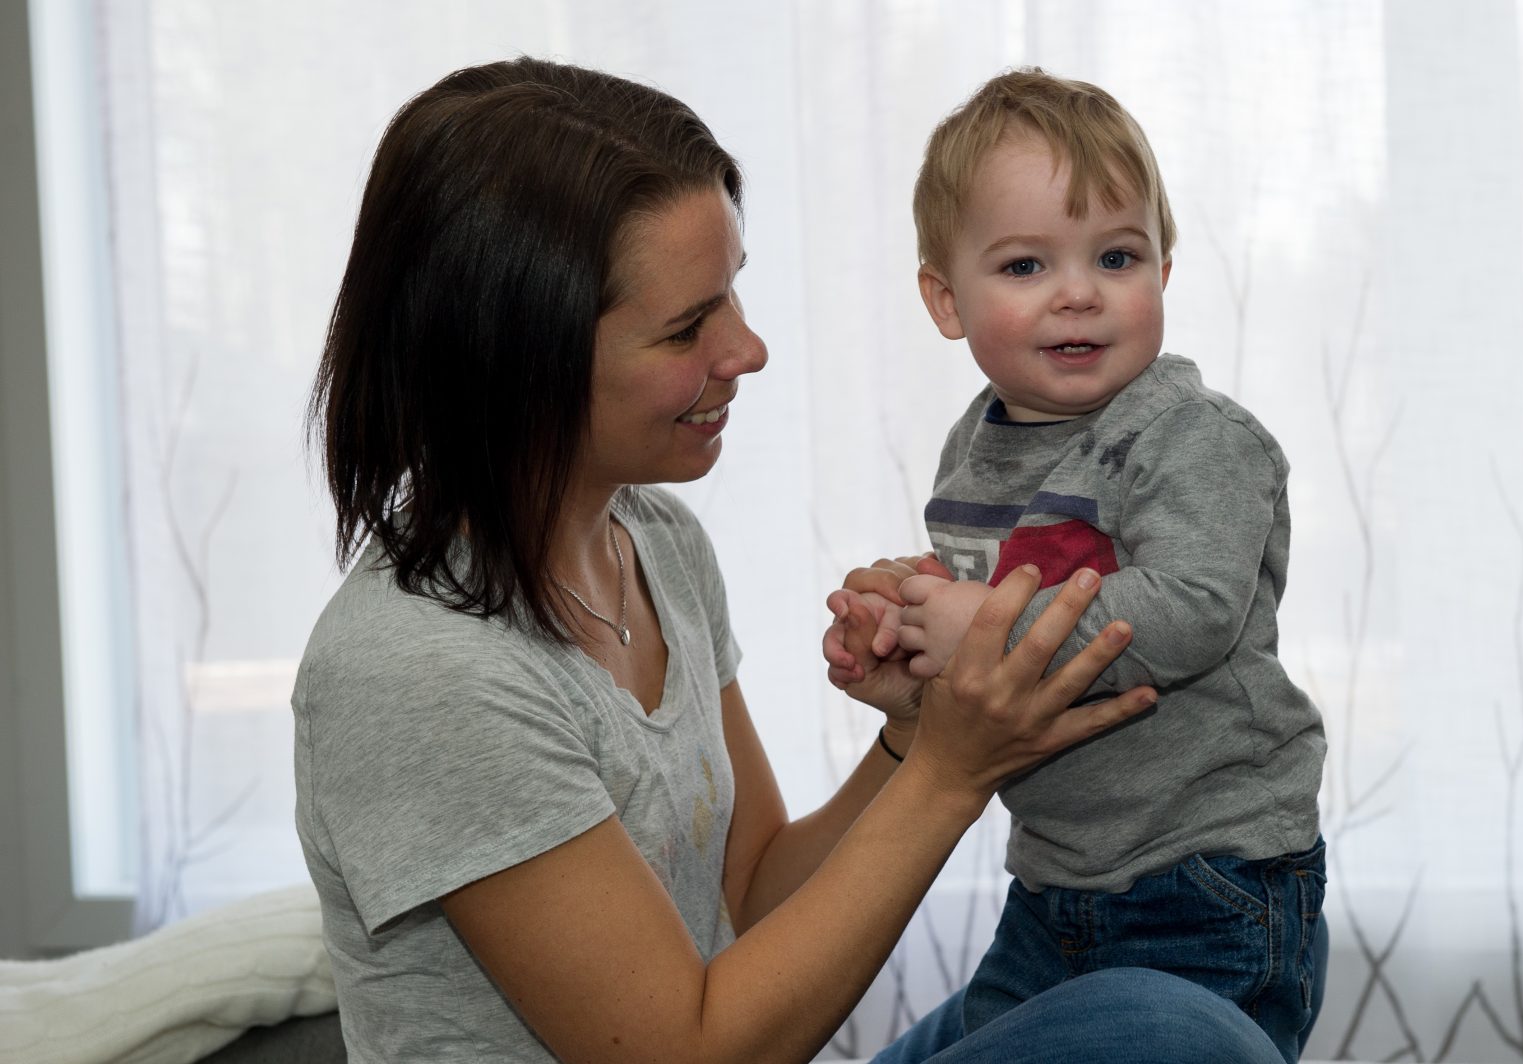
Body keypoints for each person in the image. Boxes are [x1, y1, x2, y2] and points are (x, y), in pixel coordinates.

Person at [295, 55, 1289, 1064]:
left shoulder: (656, 543)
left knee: (1169, 1027)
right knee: (1177, 1037)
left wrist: (914, 730)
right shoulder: (418, 670)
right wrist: (951, 770)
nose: (748, 347)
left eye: (730, 294)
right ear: (518, 356)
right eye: (690, 325)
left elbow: (756, 891)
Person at [823, 69, 1329, 1063]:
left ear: (1163, 272)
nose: (1078, 292)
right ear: (944, 299)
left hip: (1205, 875)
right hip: (1052, 881)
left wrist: (986, 624)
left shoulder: (1193, 437)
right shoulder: (975, 448)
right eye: (1023, 266)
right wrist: (909, 631)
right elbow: (996, 649)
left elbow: (1190, 607)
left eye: (1115, 254)